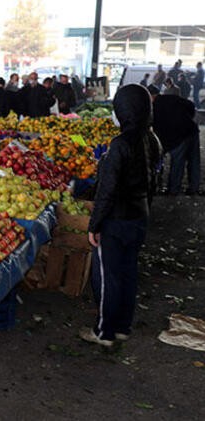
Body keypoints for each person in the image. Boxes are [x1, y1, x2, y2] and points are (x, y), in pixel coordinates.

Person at [82, 84, 162, 347]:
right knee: (128, 273)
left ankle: (104, 332)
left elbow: (107, 190)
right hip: (139, 217)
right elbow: (153, 184)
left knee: (108, 277)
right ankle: (122, 327)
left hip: (116, 221)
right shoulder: (152, 140)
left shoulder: (119, 144)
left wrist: (95, 225)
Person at [148, 85, 200, 195]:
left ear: (151, 96)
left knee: (178, 162)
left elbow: (157, 129)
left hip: (178, 136)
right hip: (192, 130)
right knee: (194, 161)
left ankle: (173, 189)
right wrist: (186, 118)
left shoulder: (154, 107)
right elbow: (191, 105)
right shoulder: (172, 97)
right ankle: (193, 188)